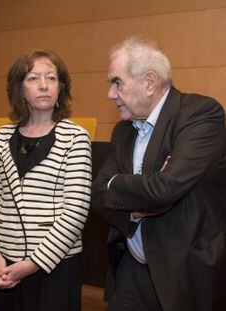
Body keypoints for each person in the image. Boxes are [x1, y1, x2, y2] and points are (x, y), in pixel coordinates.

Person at [91, 36, 226, 311]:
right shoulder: (123, 131)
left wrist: (120, 186)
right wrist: (139, 207)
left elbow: (164, 189)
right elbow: (97, 193)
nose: (110, 94)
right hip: (132, 271)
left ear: (149, 82)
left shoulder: (200, 114)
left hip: (185, 275)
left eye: (117, 82)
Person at [0, 50, 91, 311]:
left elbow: (76, 210)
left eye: (51, 78)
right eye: (33, 78)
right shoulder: (1, 136)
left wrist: (30, 265)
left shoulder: (75, 137)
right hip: (5, 268)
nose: (43, 85)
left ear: (61, 88)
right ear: (19, 88)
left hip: (54, 268)